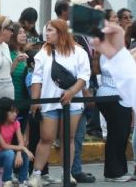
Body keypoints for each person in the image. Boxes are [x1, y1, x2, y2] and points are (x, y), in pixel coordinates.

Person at [28, 19, 91, 187]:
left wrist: (71, 92)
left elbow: (84, 77)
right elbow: (37, 78)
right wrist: (35, 100)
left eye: (50, 30)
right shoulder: (44, 52)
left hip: (73, 103)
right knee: (46, 138)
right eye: (46, 30)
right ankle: (36, 175)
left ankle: (66, 173)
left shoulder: (79, 52)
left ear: (61, 32)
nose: (46, 33)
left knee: (68, 139)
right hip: (49, 103)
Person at [95, 36, 132, 181]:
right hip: (112, 96)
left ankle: (120, 170)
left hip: (119, 97)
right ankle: (113, 173)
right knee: (117, 134)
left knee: (121, 134)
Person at [0, 98, 34, 187]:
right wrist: (23, 148)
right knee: (10, 153)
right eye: (11, 112)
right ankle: (7, 181)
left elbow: (21, 141)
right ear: (3, 112)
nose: (15, 114)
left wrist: (20, 152)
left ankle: (22, 181)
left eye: (16, 111)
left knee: (23, 154)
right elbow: (4, 146)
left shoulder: (16, 123)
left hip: (8, 155)